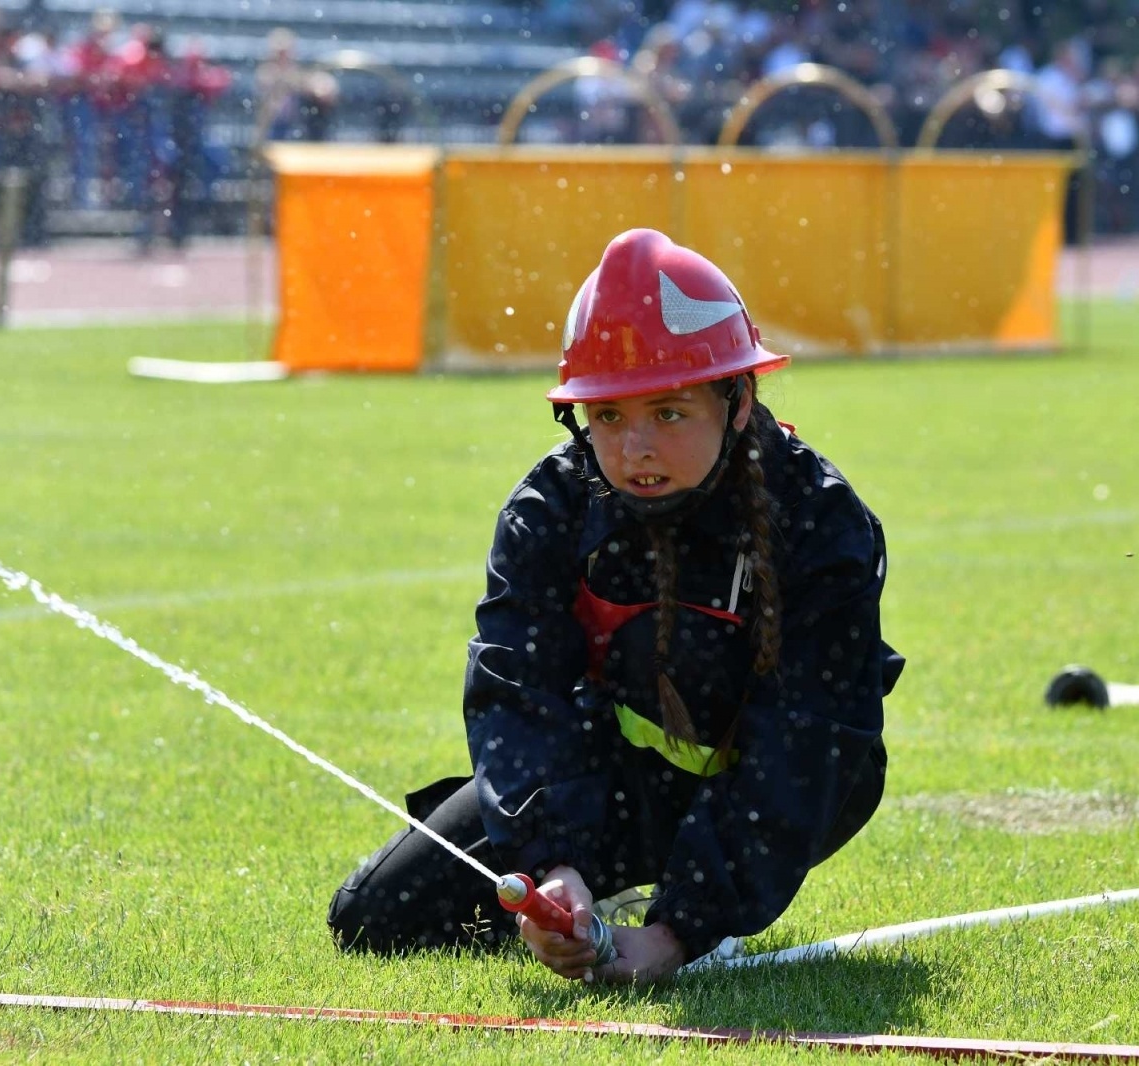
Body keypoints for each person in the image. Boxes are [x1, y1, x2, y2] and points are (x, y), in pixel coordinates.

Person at [328, 228, 904, 984]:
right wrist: (551, 865)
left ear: (738, 401)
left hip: (791, 782)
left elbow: (809, 741)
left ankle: (689, 899)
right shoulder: (549, 511)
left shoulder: (821, 522)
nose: (636, 449)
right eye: (607, 417)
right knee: (372, 917)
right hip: (610, 780)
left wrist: (679, 929)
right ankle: (605, 886)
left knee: (804, 779)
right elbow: (516, 697)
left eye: (669, 413)